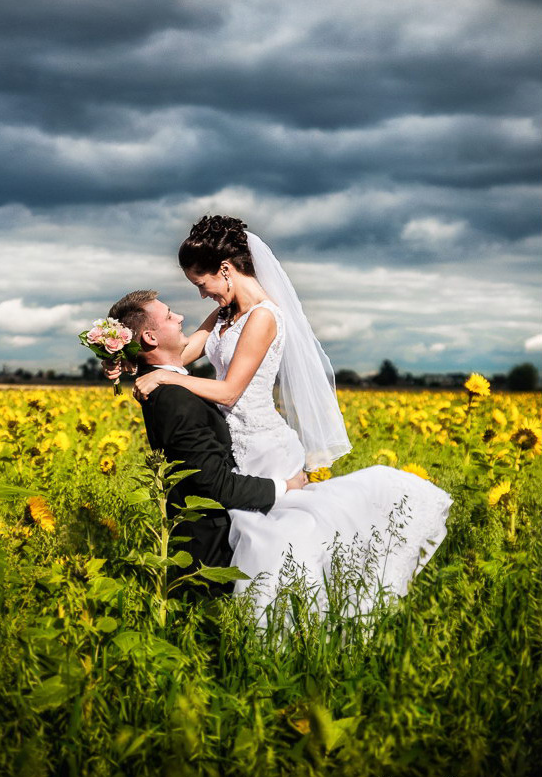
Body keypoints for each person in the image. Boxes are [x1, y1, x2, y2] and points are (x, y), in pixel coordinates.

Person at [122, 215, 453, 620]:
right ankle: (261, 617)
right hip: (233, 439)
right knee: (252, 537)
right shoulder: (225, 315)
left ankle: (297, 617)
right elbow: (181, 355)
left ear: (225, 270)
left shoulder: (263, 317)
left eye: (200, 283)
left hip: (262, 441)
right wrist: (125, 361)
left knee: (275, 538)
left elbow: (229, 391)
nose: (201, 295)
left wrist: (160, 377)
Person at [105, 288, 307, 598]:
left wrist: (124, 360)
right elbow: (216, 485)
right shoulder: (175, 399)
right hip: (208, 555)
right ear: (150, 338)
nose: (181, 316)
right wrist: (285, 487)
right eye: (170, 316)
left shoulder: (159, 381)